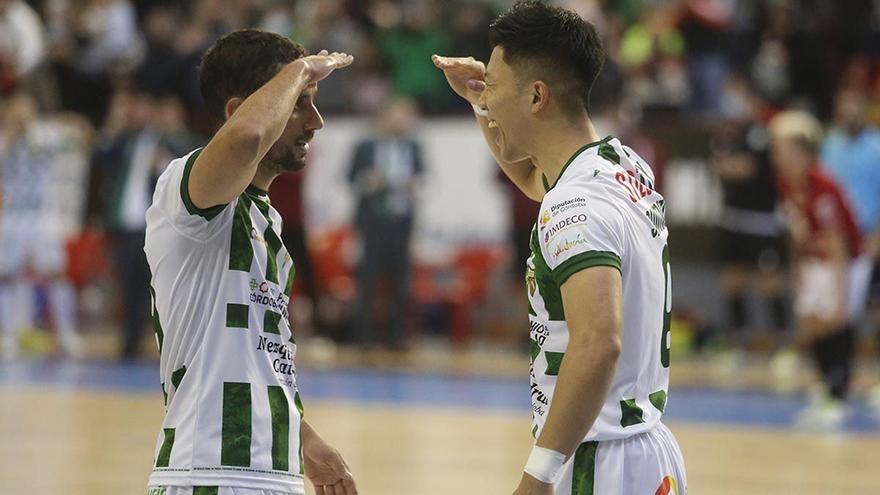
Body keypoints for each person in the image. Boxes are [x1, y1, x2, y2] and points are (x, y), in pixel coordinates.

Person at [433, 2, 685, 494]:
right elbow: (533, 180)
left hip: (599, 460)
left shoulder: (575, 205)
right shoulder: (618, 163)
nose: (488, 98)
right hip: (644, 447)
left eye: (495, 87)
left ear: (537, 97)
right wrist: (479, 103)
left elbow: (598, 343)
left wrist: (537, 476)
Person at [143, 29, 357, 495]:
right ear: (239, 108)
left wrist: (302, 436)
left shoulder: (266, 218)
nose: (316, 121)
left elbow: (253, 351)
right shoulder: (185, 188)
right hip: (208, 473)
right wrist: (300, 69)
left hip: (268, 471)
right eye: (301, 102)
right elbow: (245, 136)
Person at [770, 110, 863, 430]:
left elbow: (839, 245)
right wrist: (798, 271)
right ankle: (828, 386)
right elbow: (795, 233)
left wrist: (840, 295)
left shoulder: (824, 186)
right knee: (810, 319)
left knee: (831, 319)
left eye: (781, 149)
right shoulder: (787, 184)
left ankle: (838, 392)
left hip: (846, 259)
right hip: (814, 259)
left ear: (802, 152)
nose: (776, 156)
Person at [347, 98, 424, 349]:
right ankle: (364, 336)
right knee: (368, 278)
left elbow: (421, 176)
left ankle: (396, 336)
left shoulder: (413, 147)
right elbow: (351, 177)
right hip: (373, 221)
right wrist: (369, 182)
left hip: (401, 220)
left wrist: (412, 184)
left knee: (400, 281)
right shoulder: (366, 146)